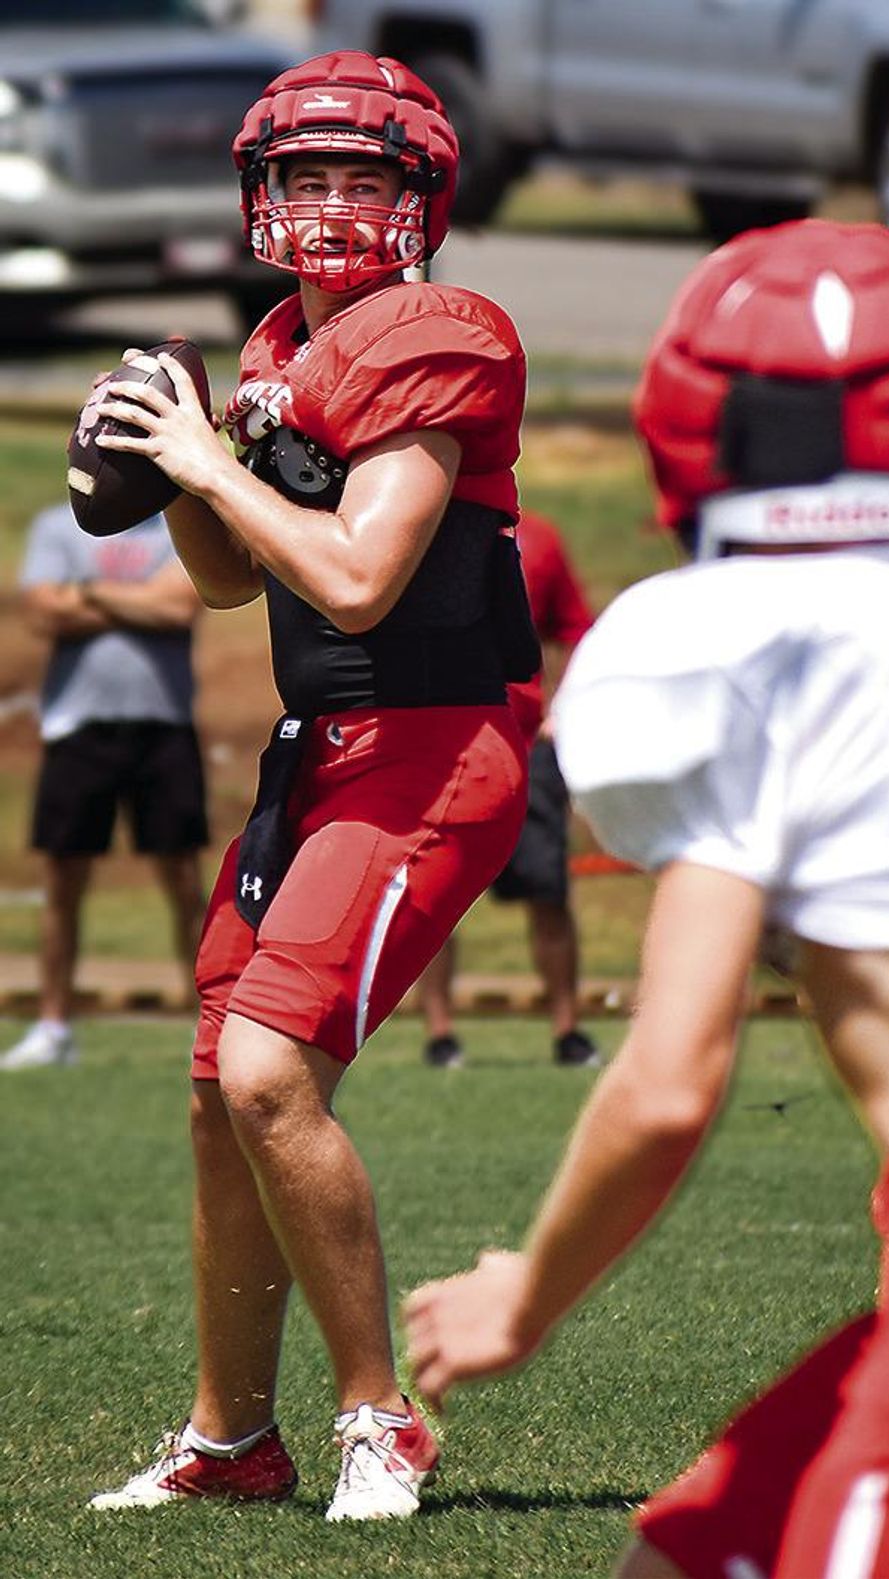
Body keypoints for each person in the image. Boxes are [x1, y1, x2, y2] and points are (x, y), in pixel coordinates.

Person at [404, 220, 889, 1579]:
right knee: (691, 1557)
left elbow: (672, 1077)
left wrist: (524, 1293)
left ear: (693, 423)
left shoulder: (721, 653)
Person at [87, 51, 535, 1523]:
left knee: (275, 1069)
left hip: (430, 751)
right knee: (223, 1085)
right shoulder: (285, 339)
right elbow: (230, 586)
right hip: (323, 757)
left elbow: (353, 578)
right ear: (256, 195)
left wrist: (213, 463)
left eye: (365, 175)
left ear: (424, 201)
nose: (332, 204)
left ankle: (378, 1417)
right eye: (303, 175)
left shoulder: (439, 330)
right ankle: (233, 1436)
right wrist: (175, 466)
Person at [1, 505, 207, 1071]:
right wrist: (139, 598)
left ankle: (207, 1029)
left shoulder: (180, 527)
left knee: (184, 878)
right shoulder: (53, 526)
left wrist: (87, 591)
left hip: (165, 724)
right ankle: (53, 1026)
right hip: (77, 725)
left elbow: (180, 607)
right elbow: (43, 612)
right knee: (63, 880)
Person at [418, 506, 599, 1069]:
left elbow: (577, 630)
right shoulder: (417, 520)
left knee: (548, 890)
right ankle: (440, 1033)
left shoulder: (539, 538)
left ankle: (568, 1030)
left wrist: (562, 711)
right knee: (432, 897)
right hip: (441, 740)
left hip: (524, 742)